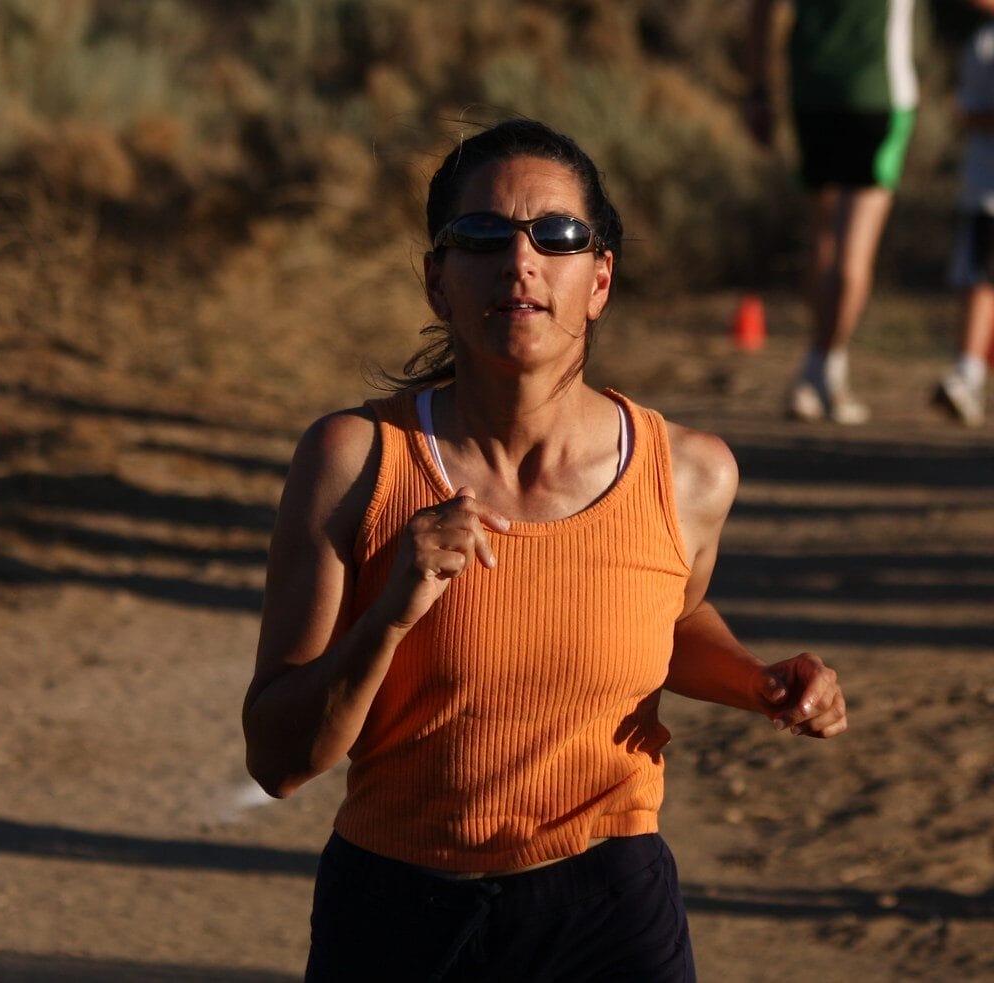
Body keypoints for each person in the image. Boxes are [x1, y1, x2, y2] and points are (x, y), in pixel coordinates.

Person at [242, 118, 848, 982]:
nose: (519, 261)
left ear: (599, 278)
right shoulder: (354, 463)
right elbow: (278, 759)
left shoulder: (690, 474)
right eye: (482, 236)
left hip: (607, 908)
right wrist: (389, 614)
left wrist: (757, 681)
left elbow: (662, 621)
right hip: (398, 912)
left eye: (557, 236)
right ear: (437, 281)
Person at [747, 0, 919, 424]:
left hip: (812, 94)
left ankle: (814, 369)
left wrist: (759, 90)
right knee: (853, 248)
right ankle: (823, 368)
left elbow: (762, 11)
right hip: (879, 92)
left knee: (823, 238)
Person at [935, 0, 994, 427]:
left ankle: (968, 374)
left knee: (982, 281)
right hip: (986, 188)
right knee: (982, 279)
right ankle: (968, 375)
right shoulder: (984, 42)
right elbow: (968, 112)